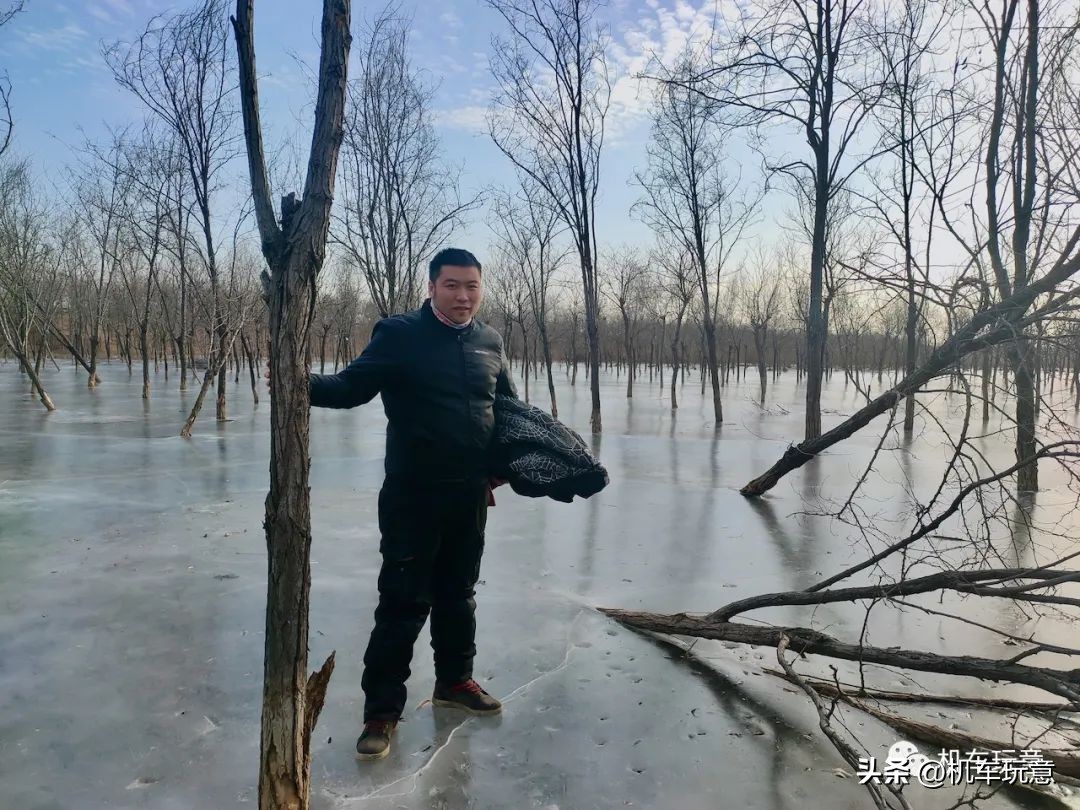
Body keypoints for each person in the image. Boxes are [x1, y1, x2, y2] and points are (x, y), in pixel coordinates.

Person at [302, 248, 517, 760]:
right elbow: (351, 387)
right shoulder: (400, 334)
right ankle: (381, 713)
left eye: (472, 286)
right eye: (452, 285)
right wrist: (300, 382)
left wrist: (516, 464)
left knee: (458, 594)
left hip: (469, 495)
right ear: (431, 286)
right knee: (402, 604)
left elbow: (506, 408)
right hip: (412, 495)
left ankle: (455, 681)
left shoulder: (490, 341)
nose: (463, 296)